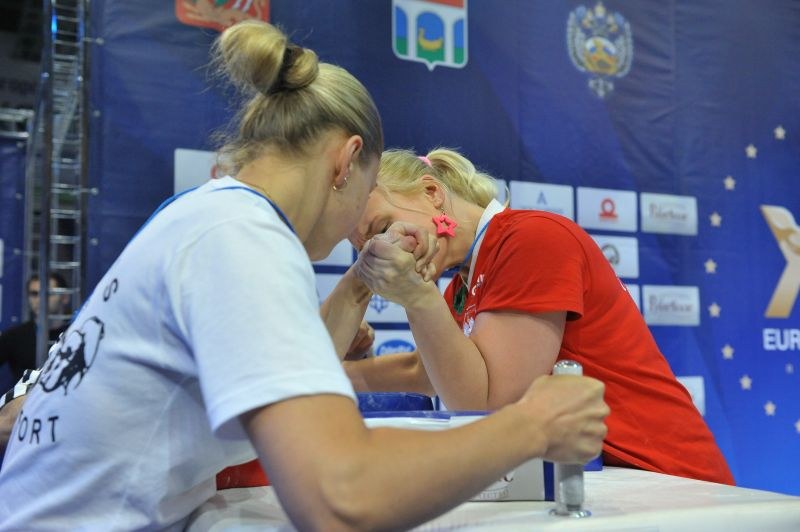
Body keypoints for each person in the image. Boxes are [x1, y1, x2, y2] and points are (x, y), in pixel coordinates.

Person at [0, 21, 608, 531]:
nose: (353, 241)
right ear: (346, 162)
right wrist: (531, 426)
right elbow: (340, 495)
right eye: (367, 204)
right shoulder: (242, 236)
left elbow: (276, 372)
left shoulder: (206, 215)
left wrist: (358, 284)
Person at [340, 147, 735, 486]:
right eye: (366, 249)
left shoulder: (530, 238)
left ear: (432, 193)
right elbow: (424, 372)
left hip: (668, 479)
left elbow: (492, 408)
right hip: (614, 480)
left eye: (383, 228)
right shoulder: (462, 282)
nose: (382, 251)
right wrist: (326, 375)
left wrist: (415, 296)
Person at [0, 273, 71, 382]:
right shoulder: (14, 336)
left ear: (65, 297)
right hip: (25, 398)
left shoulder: (74, 334)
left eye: (48, 293)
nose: (39, 299)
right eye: (34, 294)